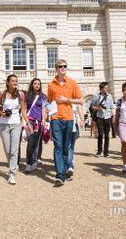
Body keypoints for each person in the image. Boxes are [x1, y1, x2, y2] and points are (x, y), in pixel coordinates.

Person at [47, 59, 83, 187]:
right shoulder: (51, 84)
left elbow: (80, 101)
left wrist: (66, 100)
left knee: (66, 146)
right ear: (56, 68)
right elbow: (49, 102)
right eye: (60, 66)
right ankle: (60, 175)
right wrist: (47, 117)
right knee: (58, 146)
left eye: (64, 66)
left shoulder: (72, 83)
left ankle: (67, 166)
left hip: (68, 118)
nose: (62, 68)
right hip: (56, 119)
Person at [0, 74, 28, 185]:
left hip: (16, 124)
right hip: (4, 124)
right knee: (7, 150)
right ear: (8, 82)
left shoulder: (21, 95)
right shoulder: (2, 94)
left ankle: (12, 173)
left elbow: (23, 110)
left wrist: (28, 123)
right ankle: (13, 165)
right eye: (13, 81)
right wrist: (1, 113)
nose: (15, 83)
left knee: (14, 150)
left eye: (16, 81)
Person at [24, 78, 47, 173]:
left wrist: (44, 119)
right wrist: (25, 121)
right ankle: (29, 163)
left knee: (37, 142)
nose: (37, 85)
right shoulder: (27, 96)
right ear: (32, 85)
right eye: (35, 84)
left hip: (39, 121)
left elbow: (44, 109)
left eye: (38, 84)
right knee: (30, 141)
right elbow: (24, 109)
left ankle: (33, 162)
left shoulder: (43, 96)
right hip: (30, 120)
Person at [91, 82, 115, 158]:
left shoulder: (110, 96)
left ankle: (106, 152)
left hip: (108, 116)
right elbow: (92, 106)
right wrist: (97, 108)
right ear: (101, 89)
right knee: (101, 134)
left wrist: (113, 115)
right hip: (100, 117)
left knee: (107, 135)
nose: (106, 89)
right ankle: (99, 151)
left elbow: (112, 106)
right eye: (105, 88)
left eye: (107, 88)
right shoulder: (96, 96)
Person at [68, 104, 84, 175]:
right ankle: (69, 163)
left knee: (70, 146)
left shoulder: (75, 98)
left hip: (73, 124)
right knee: (68, 146)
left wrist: (82, 120)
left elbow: (80, 109)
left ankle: (69, 163)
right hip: (63, 124)